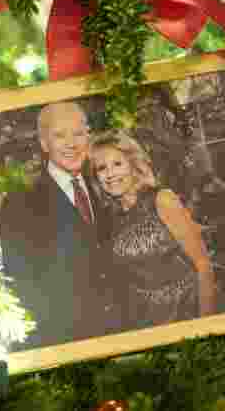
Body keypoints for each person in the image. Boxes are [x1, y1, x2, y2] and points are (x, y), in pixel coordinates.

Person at [0, 101, 121, 350]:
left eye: (78, 133)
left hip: (119, 329)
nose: (71, 144)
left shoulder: (105, 181)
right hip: (66, 341)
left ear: (88, 137)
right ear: (44, 143)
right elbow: (23, 287)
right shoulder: (20, 201)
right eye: (60, 135)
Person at [88, 130, 217, 330]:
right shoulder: (107, 220)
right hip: (143, 323)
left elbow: (203, 265)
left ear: (133, 165)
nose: (110, 174)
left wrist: (207, 326)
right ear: (96, 177)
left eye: (118, 164)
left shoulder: (162, 200)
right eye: (102, 168)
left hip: (185, 316)